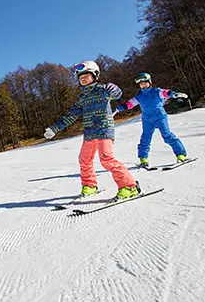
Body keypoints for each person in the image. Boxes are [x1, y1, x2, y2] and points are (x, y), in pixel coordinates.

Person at [43, 61, 138, 201]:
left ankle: (129, 186)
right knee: (84, 159)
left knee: (106, 158)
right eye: (80, 77)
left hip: (104, 129)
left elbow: (117, 94)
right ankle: (90, 185)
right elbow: (72, 115)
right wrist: (55, 128)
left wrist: (114, 88)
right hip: (89, 133)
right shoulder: (82, 97)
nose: (83, 79)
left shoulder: (103, 90)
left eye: (86, 75)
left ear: (95, 75)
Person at [114, 72, 189, 167]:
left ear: (149, 82)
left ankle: (181, 155)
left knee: (167, 135)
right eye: (141, 84)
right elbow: (129, 104)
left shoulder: (156, 91)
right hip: (147, 120)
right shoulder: (139, 96)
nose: (143, 85)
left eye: (145, 83)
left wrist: (174, 94)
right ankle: (143, 158)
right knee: (145, 138)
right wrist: (118, 108)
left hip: (160, 117)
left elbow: (166, 93)